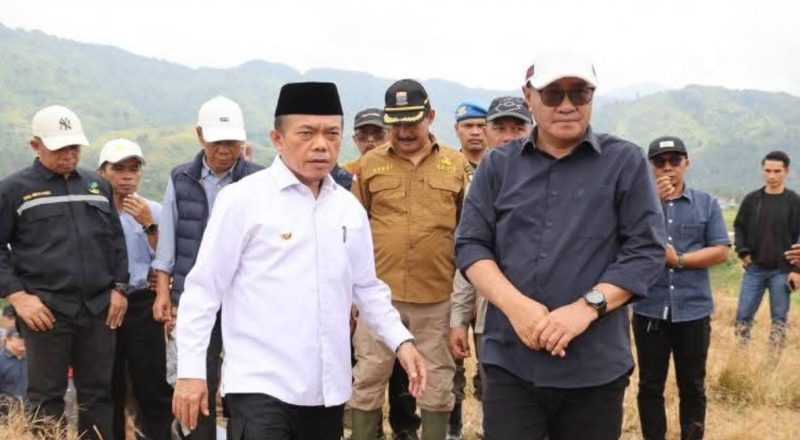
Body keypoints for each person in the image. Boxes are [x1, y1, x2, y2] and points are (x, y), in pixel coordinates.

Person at [171, 81, 426, 440]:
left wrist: (402, 342)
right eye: (306, 133)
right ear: (277, 138)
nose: (321, 145)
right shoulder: (243, 200)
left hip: (327, 390)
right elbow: (203, 291)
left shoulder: (348, 209)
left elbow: (366, 288)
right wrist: (191, 371)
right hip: (260, 387)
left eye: (332, 134)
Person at [455, 53, 666, 440]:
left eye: (579, 93)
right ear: (529, 96)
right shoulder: (498, 166)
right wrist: (517, 308)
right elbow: (471, 244)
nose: (567, 105)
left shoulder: (624, 162)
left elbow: (646, 251)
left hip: (594, 365)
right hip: (511, 362)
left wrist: (587, 309)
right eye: (553, 94)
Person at [350, 79, 471, 440]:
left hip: (436, 297)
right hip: (378, 298)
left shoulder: (456, 164)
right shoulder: (369, 166)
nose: (403, 131)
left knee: (436, 382)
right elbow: (355, 233)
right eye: (396, 123)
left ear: (430, 117)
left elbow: (467, 233)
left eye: (412, 122)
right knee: (369, 376)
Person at [0, 105, 129, 440]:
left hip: (99, 309)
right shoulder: (14, 190)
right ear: (35, 145)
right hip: (45, 311)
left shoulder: (97, 185)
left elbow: (115, 240)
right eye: (60, 148)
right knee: (46, 398)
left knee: (98, 394)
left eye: (74, 147)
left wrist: (119, 288)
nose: (69, 155)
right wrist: (17, 296)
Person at [151, 96, 263, 439]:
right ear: (200, 136)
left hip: (246, 296)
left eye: (232, 142)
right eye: (218, 142)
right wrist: (163, 293)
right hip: (194, 293)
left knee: (248, 374)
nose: (226, 150)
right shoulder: (181, 177)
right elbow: (168, 240)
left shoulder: (258, 180)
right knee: (197, 371)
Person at [632, 136, 730, 440]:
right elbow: (625, 242)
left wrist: (680, 260)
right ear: (649, 167)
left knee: (693, 385)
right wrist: (653, 204)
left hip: (693, 310)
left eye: (674, 161)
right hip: (650, 308)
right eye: (659, 161)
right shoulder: (637, 204)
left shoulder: (706, 203)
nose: (667, 168)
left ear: (686, 163)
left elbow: (721, 250)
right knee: (650, 385)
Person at [447, 95, 533, 431]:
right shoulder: (482, 183)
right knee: (497, 394)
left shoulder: (558, 175)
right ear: (488, 132)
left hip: (546, 318)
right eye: (500, 127)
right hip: (491, 315)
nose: (509, 136)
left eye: (518, 127)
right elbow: (469, 256)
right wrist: (457, 318)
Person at [345, 107, 418, 439]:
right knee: (368, 369)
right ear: (355, 138)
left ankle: (405, 430)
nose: (371, 140)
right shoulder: (348, 176)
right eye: (364, 135)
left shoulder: (407, 169)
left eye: (377, 133)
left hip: (413, 291)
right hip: (366, 290)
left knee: (404, 373)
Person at [97, 138, 173, 440]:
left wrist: (148, 224)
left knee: (152, 383)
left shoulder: (153, 209)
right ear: (102, 172)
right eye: (119, 168)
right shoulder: (95, 213)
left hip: (143, 303)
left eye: (133, 169)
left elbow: (168, 258)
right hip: (104, 306)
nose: (127, 175)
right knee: (108, 386)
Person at [733, 151, 800, 348]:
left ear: (787, 171)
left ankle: (772, 367)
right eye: (768, 170)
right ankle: (741, 359)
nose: (772, 176)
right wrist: (743, 252)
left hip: (782, 270)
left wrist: (797, 270)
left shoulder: (794, 201)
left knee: (779, 321)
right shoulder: (752, 200)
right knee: (743, 316)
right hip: (755, 269)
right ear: (762, 170)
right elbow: (739, 227)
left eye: (777, 171)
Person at [343, 108, 389, 173]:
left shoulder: (403, 170)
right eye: (363, 136)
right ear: (355, 139)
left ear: (390, 137)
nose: (370, 140)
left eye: (378, 134)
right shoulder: (346, 173)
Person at [453, 101, 488, 169]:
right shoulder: (447, 168)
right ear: (456, 129)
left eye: (481, 126)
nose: (475, 132)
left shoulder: (502, 166)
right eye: (468, 126)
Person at [0, 329, 27, 400]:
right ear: (8, 339)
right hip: (8, 409)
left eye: (26, 337)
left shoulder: (31, 360)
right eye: (20, 337)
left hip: (32, 408)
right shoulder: (1, 360)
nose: (24, 340)